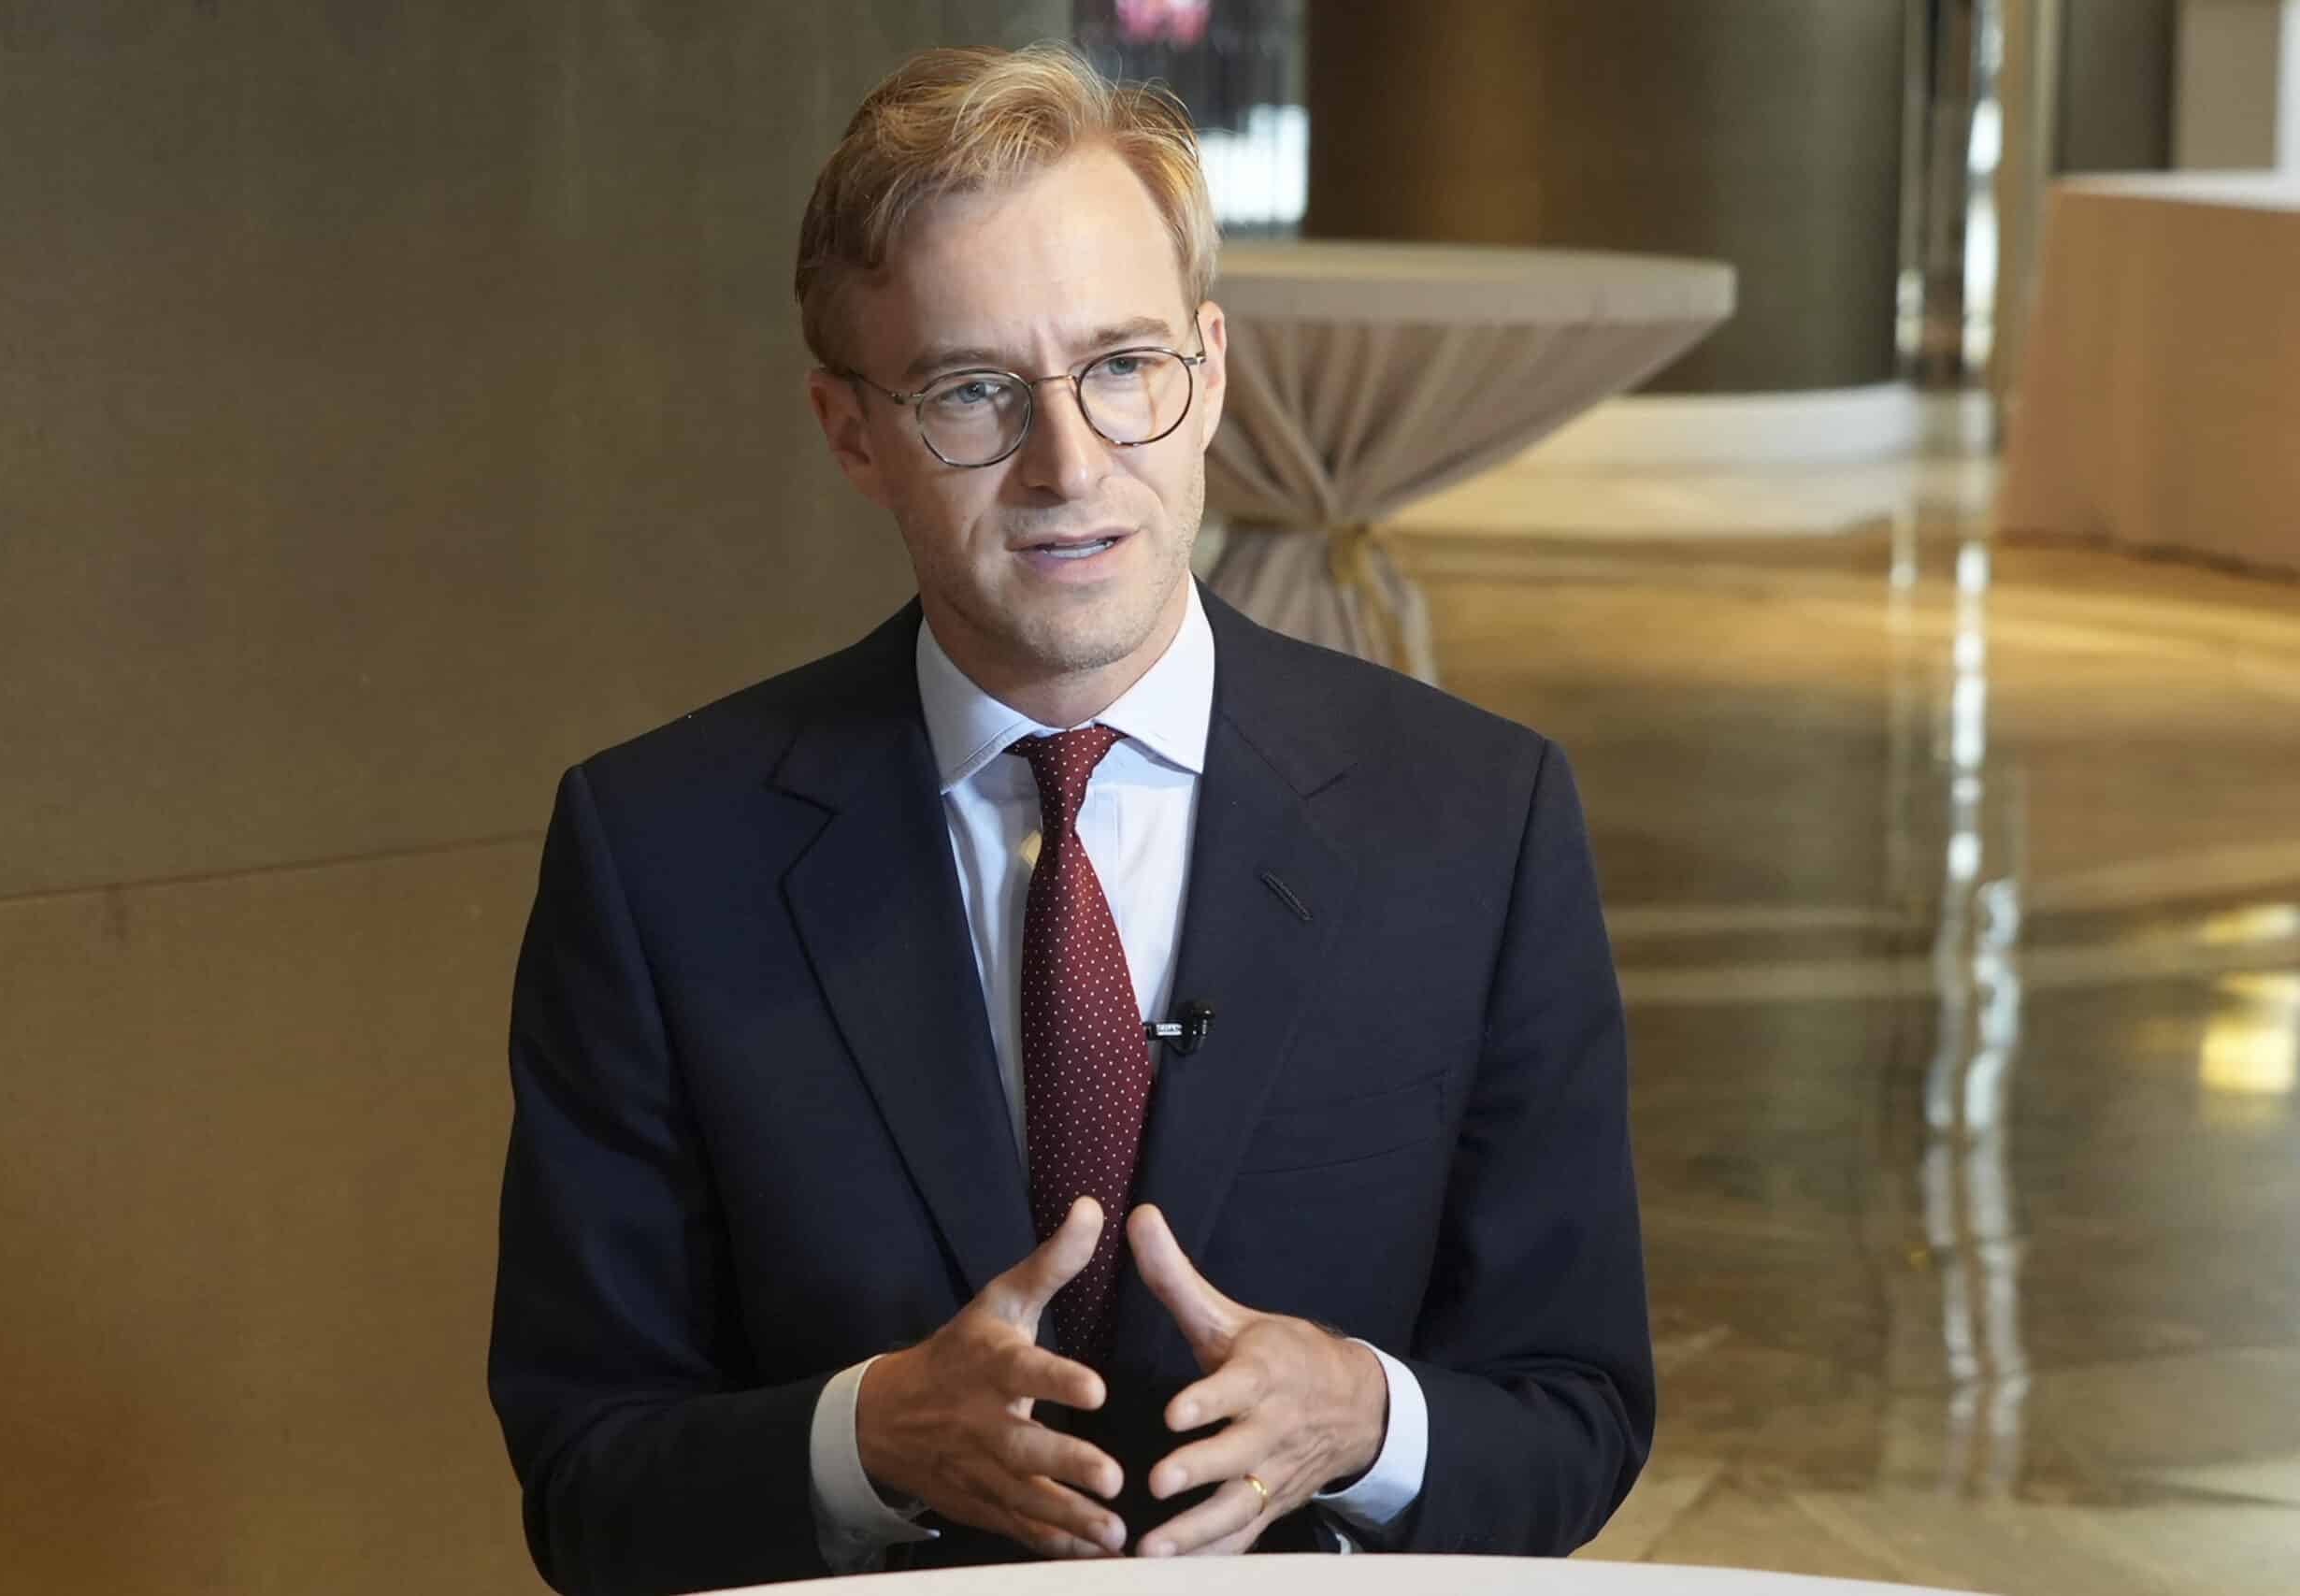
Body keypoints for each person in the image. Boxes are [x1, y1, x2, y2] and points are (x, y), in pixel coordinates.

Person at [487, 42, 1650, 1596]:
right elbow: (587, 1486)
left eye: (1123, 365)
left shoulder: (1480, 820)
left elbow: (1578, 1412)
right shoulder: (656, 853)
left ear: (1212, 368)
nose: (1071, 462)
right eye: (973, 391)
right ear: (850, 432)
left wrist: (1367, 1423)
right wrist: (867, 1438)